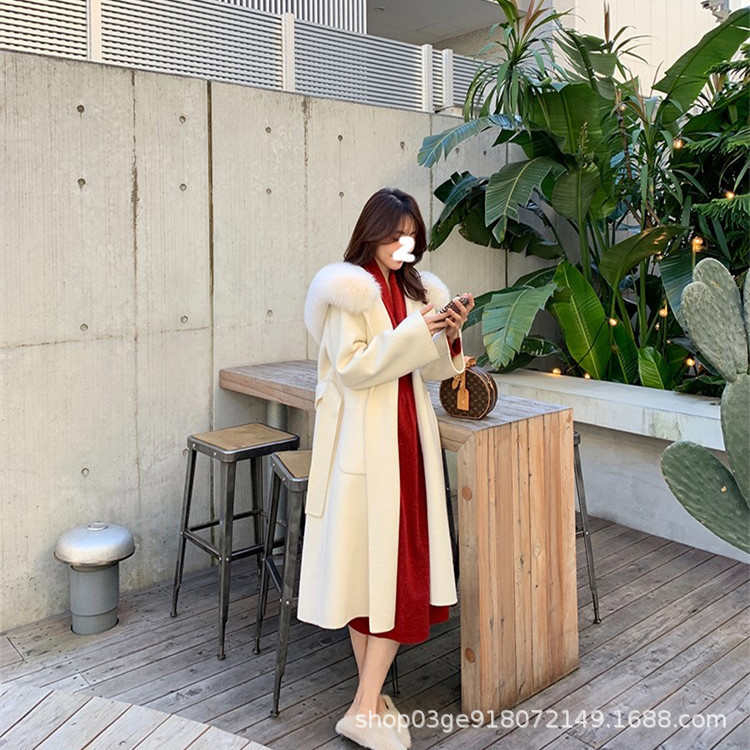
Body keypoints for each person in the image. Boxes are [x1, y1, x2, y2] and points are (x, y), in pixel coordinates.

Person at [299, 187, 474, 750]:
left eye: (412, 236)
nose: (405, 246)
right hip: (367, 445)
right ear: (371, 234)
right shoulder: (346, 291)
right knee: (372, 573)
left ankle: (367, 703)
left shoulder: (416, 290)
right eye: (395, 236)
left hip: (407, 441)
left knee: (390, 572)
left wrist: (449, 332)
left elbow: (430, 370)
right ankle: (365, 706)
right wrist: (418, 331)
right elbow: (353, 369)